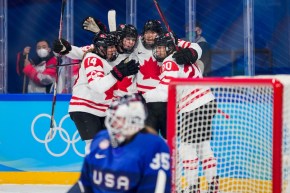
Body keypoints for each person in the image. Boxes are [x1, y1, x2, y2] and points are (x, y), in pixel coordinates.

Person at [143, 31, 219, 193]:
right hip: (208, 101)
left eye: (162, 48)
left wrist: (144, 96)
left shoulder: (170, 62)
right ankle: (213, 186)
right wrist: (179, 41)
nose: (159, 51)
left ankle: (192, 188)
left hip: (192, 107)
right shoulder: (184, 54)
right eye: (158, 48)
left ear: (170, 47)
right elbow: (194, 47)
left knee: (186, 149)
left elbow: (165, 93)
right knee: (203, 146)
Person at [53, 31, 139, 155]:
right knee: (94, 145)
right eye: (108, 47)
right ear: (99, 48)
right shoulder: (92, 58)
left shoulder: (107, 59)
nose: (111, 50)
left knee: (114, 143)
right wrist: (117, 73)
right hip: (85, 108)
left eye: (113, 46)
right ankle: (93, 172)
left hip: (101, 110)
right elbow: (98, 86)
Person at [67, 93, 171, 193]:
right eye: (113, 117)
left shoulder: (153, 146)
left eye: (118, 119)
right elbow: (84, 185)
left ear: (134, 121)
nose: (113, 122)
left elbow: (156, 188)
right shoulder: (100, 139)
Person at [133, 19, 202, 138]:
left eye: (153, 32)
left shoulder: (169, 42)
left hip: (164, 99)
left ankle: (169, 156)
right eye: (147, 32)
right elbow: (118, 45)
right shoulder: (135, 44)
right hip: (145, 100)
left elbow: (196, 47)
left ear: (160, 34)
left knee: (169, 138)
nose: (149, 36)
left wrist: (193, 53)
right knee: (148, 138)